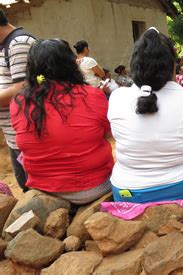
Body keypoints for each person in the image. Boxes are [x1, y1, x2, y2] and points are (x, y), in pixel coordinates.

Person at [108, 28, 183, 203]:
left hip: (127, 191)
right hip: (181, 186)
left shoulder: (116, 98)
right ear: (173, 66)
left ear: (134, 65)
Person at [10, 39, 114, 203]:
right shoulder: (92, 95)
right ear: (71, 64)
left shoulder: (19, 102)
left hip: (43, 189)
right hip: (94, 187)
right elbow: (108, 134)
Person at [0, 10, 36, 191]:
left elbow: (21, 89)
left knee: (36, 190)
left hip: (26, 134)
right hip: (13, 135)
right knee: (25, 186)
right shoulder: (4, 46)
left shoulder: (18, 43)